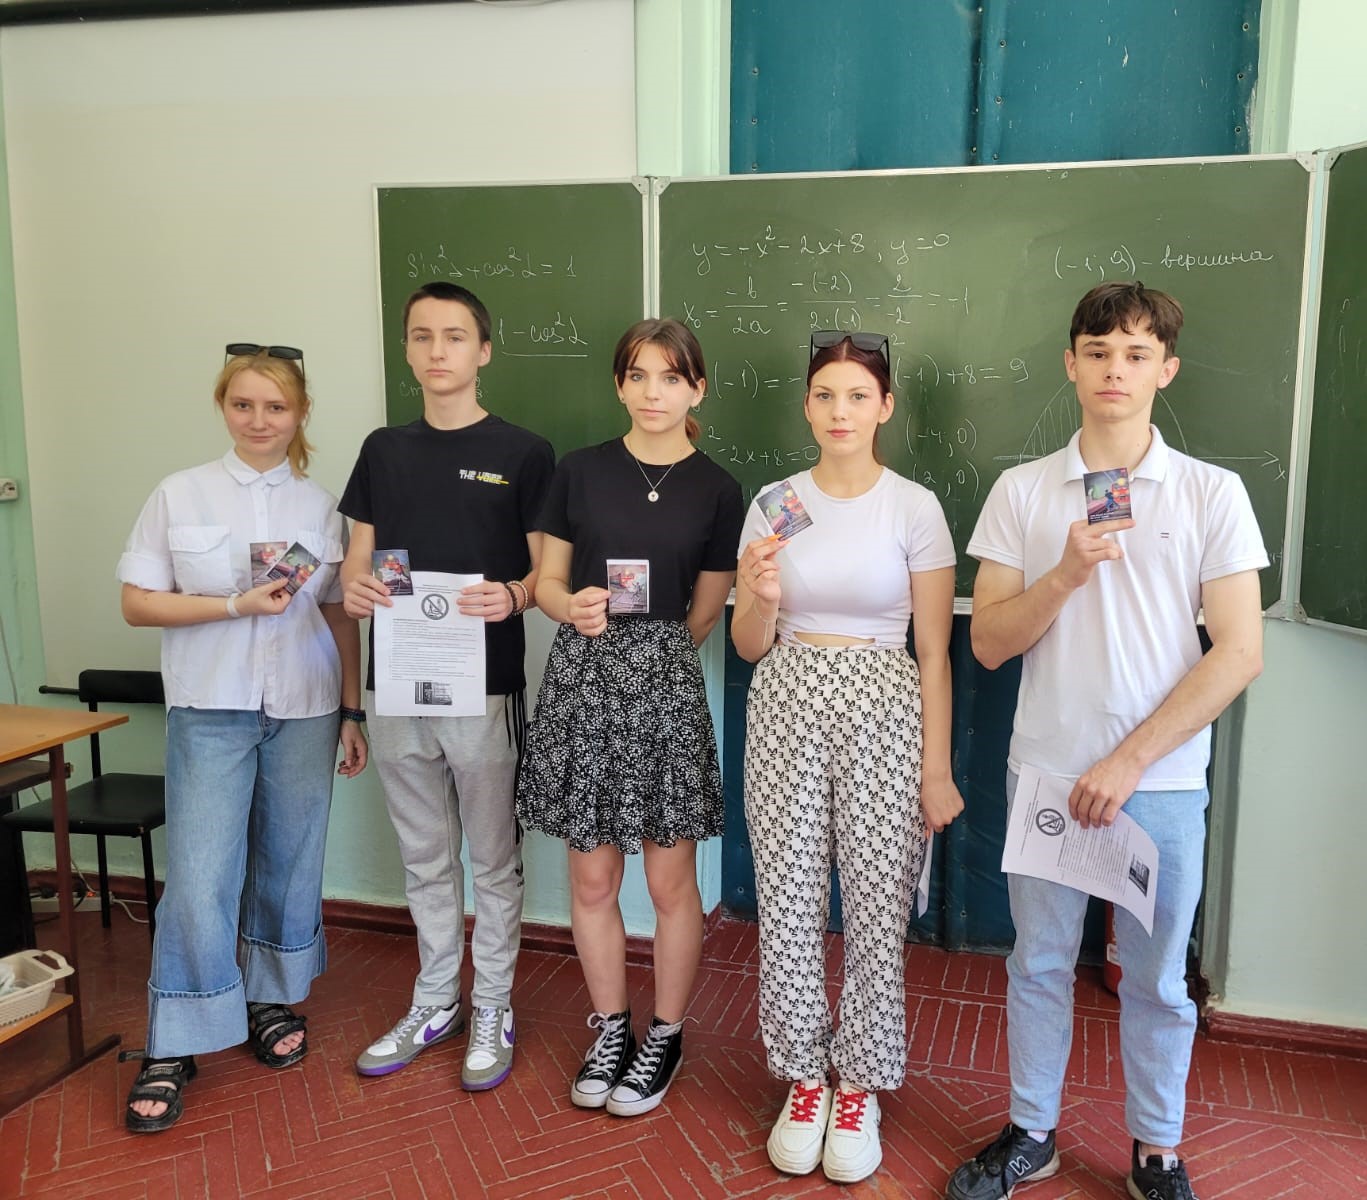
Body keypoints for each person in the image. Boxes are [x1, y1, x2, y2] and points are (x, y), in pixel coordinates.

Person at [945, 282, 1266, 1200]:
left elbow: (1238, 651)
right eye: (1096, 352)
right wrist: (1062, 575)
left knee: (1157, 982)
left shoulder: (1211, 493)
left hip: (1157, 784)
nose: (1113, 370)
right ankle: (1031, 1132)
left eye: (1134, 354)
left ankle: (1156, 1149)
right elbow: (988, 642)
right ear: (1070, 364)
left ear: (1166, 369)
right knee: (1037, 965)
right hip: (1047, 774)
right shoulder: (1022, 490)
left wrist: (1128, 761)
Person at [732, 330, 964, 1184]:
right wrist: (760, 597)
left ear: (884, 407)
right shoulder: (775, 503)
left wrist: (934, 770)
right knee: (788, 898)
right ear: (806, 405)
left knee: (875, 902)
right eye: (825, 395)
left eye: (857, 396)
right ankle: (803, 1077)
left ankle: (858, 1081)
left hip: (883, 705)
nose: (840, 411)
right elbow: (748, 645)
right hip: (787, 697)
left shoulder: (914, 507)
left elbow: (932, 651)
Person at [117, 343, 368, 1133]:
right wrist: (232, 606)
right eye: (243, 404)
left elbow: (338, 615)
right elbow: (137, 602)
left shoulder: (322, 507)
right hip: (211, 708)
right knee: (199, 875)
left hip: (304, 706)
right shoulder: (179, 492)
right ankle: (176, 1038)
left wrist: (352, 712)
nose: (259, 420)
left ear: (300, 413)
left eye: (276, 407)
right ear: (223, 406)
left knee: (288, 864)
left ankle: (267, 999)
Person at [516, 317, 743, 1117]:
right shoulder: (577, 471)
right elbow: (545, 583)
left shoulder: (718, 489)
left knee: (669, 880)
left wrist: (650, 662)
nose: (654, 392)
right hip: (581, 677)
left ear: (696, 389)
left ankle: (665, 1034)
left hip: (665, 689)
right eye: (638, 376)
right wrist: (567, 605)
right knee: (591, 876)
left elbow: (704, 614)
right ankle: (611, 1027)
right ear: (619, 385)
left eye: (671, 377)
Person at [340, 282, 554, 1091]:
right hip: (398, 687)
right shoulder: (381, 451)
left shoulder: (524, 452)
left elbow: (544, 574)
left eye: (455, 336)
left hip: (484, 688)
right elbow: (357, 562)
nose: (437, 350)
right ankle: (437, 1000)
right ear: (406, 349)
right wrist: (357, 589)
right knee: (425, 857)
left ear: (483, 350)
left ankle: (492, 1004)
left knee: (492, 860)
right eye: (422, 335)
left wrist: (515, 596)